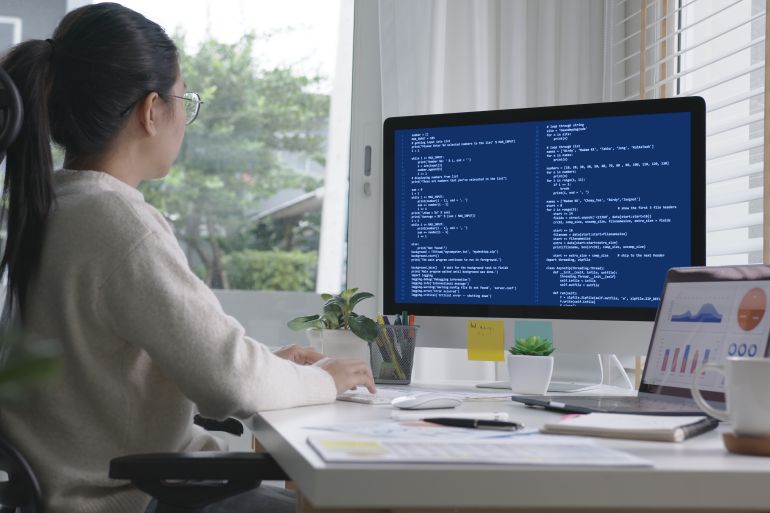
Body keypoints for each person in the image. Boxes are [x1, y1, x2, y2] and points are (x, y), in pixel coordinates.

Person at [0, 3, 375, 513]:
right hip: (125, 498)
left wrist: (267, 364)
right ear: (150, 111)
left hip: (69, 490)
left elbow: (192, 358)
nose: (185, 117)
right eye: (184, 100)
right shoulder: (116, 220)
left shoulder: (58, 203)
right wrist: (324, 380)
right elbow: (230, 384)